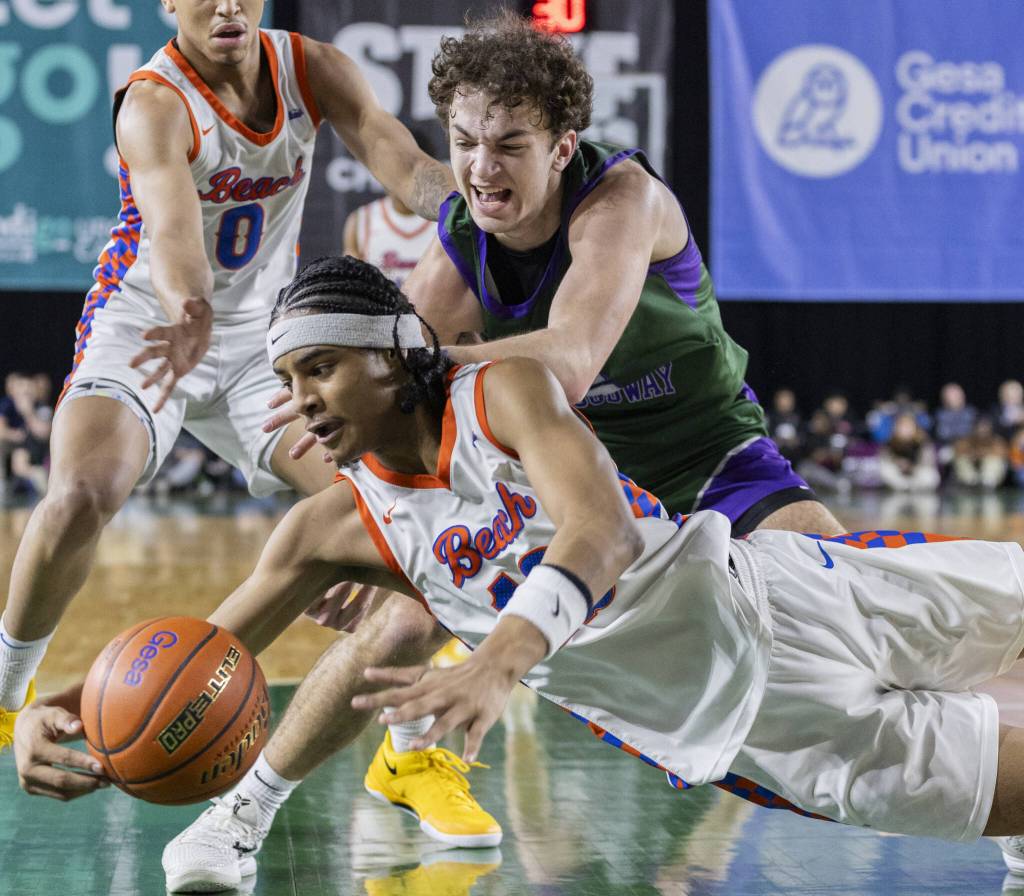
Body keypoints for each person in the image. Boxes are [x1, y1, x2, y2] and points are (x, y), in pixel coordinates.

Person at [15, 258, 1024, 891]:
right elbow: (210, 650)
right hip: (759, 716)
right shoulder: (329, 526)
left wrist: (499, 658)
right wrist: (90, 709)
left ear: (392, 357)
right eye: (282, 381)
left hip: (784, 585)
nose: (297, 401)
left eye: (317, 367)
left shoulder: (499, 390)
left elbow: (599, 532)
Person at [239, 13, 844, 876]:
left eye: (509, 144)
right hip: (574, 477)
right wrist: (370, 525)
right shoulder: (459, 240)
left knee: (843, 604)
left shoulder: (621, 202)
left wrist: (417, 356)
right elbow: (397, 403)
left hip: (710, 457)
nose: (482, 168)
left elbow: (569, 357)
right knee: (402, 612)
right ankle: (252, 805)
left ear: (563, 147)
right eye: (466, 142)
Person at [0, 0, 462, 790]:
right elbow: (177, 237)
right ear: (168, 4)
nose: (225, 5)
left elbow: (404, 164)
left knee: (397, 516)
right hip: (153, 322)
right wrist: (188, 313)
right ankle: (9, 699)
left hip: (262, 346)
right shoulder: (154, 103)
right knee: (81, 492)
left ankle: (411, 753)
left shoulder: (313, 68)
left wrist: (480, 200)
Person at [343, 126, 440, 288]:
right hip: (379, 312)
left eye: (406, 167)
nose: (398, 176)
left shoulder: (445, 221)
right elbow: (351, 287)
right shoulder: (360, 221)